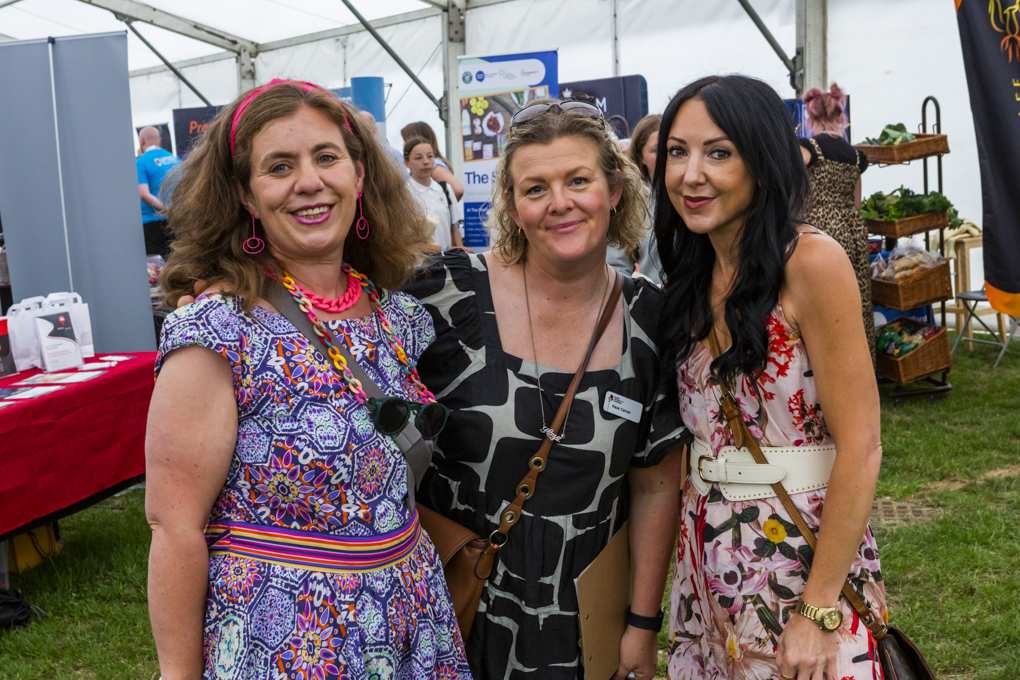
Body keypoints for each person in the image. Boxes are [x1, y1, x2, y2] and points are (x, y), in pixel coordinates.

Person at [147, 79, 470, 680]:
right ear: (245, 194)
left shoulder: (398, 315)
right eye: (279, 167)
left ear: (359, 175)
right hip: (289, 641)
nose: (309, 182)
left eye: (326, 157)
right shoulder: (218, 329)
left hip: (411, 620)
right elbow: (174, 527)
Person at [405, 100, 691, 679]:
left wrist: (642, 624)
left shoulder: (650, 319)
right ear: (512, 206)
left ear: (614, 191)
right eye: (536, 188)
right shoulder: (445, 294)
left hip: (581, 621)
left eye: (578, 181)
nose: (560, 202)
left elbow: (656, 486)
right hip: (450, 608)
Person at [655, 75, 886, 679]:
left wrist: (818, 608)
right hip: (706, 559)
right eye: (677, 151)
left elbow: (862, 445)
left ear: (762, 161)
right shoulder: (690, 271)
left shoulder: (810, 261)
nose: (691, 174)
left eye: (719, 152)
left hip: (795, 554)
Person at [799, 83, 875, 361]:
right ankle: (860, 361)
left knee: (819, 300)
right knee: (856, 298)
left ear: (811, 117)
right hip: (852, 231)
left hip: (819, 229)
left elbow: (790, 189)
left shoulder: (808, 148)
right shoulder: (855, 156)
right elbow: (857, 202)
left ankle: (823, 362)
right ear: (840, 116)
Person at [608, 114, 664, 285]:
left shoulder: (699, 199)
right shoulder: (631, 203)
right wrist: (639, 288)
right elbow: (615, 265)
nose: (665, 156)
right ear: (641, 157)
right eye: (656, 150)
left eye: (673, 149)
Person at [404, 137, 465, 252]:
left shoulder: (445, 189)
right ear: (406, 163)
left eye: (430, 156)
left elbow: (454, 228)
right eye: (418, 158)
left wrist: (461, 252)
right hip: (420, 262)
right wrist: (445, 249)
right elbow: (408, 242)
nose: (426, 161)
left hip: (447, 260)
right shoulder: (403, 194)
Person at [137, 126, 181, 260]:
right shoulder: (177, 160)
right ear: (160, 140)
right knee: (177, 262)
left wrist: (166, 209)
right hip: (176, 222)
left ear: (141, 141)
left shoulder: (141, 162)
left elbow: (144, 194)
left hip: (151, 223)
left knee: (157, 266)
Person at [400, 121, 465, 201]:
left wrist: (441, 203)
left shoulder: (435, 166)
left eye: (406, 140)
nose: (403, 144)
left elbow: (458, 190)